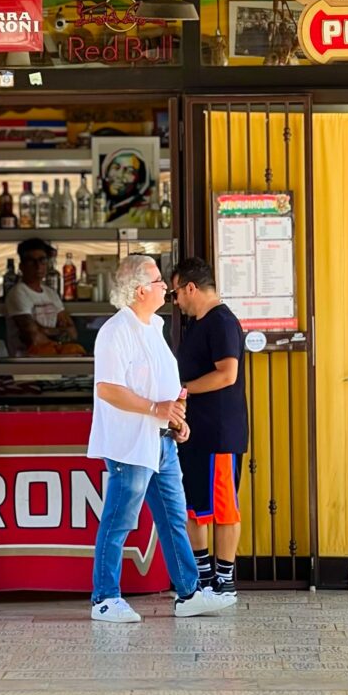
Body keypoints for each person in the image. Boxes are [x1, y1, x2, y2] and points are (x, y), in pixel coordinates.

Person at [87, 255, 234, 622]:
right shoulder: (115, 332)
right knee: (119, 519)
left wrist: (174, 419)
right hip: (130, 444)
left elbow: (166, 386)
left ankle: (188, 593)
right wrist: (156, 409)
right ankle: (105, 597)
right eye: (157, 282)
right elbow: (107, 388)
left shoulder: (154, 326)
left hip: (161, 440)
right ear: (139, 290)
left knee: (172, 517)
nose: (165, 288)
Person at [171, 257, 248, 602]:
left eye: (176, 292)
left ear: (191, 287)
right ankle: (203, 578)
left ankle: (225, 580)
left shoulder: (222, 322)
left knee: (223, 507)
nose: (175, 301)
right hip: (195, 432)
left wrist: (183, 389)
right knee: (195, 506)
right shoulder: (197, 324)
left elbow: (227, 374)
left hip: (220, 432)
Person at [4, 238, 77, 356]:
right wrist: (59, 333)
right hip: (26, 368)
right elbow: (33, 337)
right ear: (21, 266)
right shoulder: (18, 293)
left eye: (42, 260)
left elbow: (73, 333)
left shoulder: (51, 293)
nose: (38, 266)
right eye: (31, 261)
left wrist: (44, 330)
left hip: (53, 366)